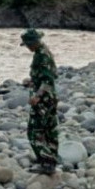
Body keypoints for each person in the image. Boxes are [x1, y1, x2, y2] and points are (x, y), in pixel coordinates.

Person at [21, 29, 59, 175]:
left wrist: (37, 95)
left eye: (27, 44)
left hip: (43, 100)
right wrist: (33, 81)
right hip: (50, 97)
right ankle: (51, 160)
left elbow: (48, 79)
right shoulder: (45, 51)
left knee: (34, 131)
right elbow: (52, 74)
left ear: (33, 43)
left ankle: (46, 163)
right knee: (50, 129)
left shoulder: (41, 56)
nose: (27, 47)